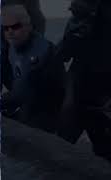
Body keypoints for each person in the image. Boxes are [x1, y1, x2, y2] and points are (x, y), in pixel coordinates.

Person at [56, 0, 111, 162]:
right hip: (78, 91)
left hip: (101, 96)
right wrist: (73, 37)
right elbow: (63, 54)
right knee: (62, 147)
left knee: (104, 150)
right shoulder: (77, 22)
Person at [3, 5, 65, 133]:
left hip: (47, 109)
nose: (10, 31)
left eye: (15, 26)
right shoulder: (13, 47)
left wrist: (6, 100)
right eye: (6, 28)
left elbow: (23, 89)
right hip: (28, 103)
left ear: (28, 27)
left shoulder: (41, 51)